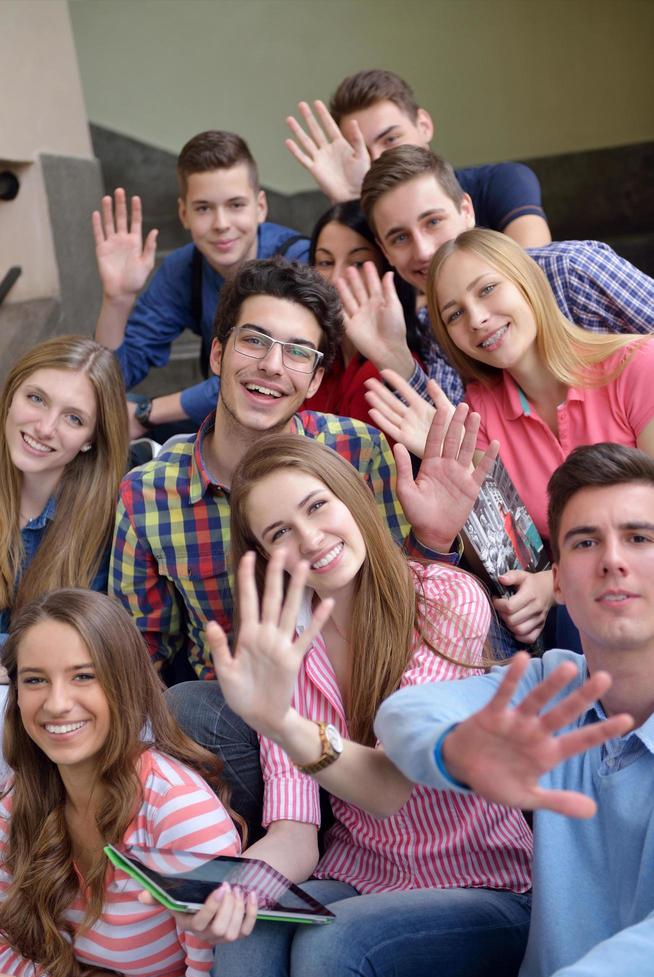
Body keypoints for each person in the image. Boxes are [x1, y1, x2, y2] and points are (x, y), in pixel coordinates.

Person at [202, 425, 532, 977]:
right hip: (362, 872)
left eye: (317, 507)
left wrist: (279, 720)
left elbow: (389, 787)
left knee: (333, 946)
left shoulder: (443, 599)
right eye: (280, 531)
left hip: (483, 883)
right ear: (264, 556)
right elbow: (294, 832)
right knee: (249, 924)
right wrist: (227, 888)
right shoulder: (283, 647)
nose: (309, 539)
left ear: (351, 494)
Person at [375, 442, 654, 977]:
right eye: (585, 541)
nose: (612, 559)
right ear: (557, 584)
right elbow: (403, 712)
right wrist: (456, 750)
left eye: (639, 537)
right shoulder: (552, 680)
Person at [110, 258, 450, 696]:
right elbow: (140, 647)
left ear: (314, 381)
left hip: (378, 681)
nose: (272, 365)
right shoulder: (147, 494)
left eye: (298, 353)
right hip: (244, 708)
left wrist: (436, 539)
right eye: (254, 340)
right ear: (218, 354)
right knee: (188, 705)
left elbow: (411, 586)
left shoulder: (359, 450)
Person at [367, 228, 654, 645]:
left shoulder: (637, 365)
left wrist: (554, 585)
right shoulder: (478, 415)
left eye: (487, 289)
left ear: (527, 281)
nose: (478, 319)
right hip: (582, 623)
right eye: (454, 314)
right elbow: (515, 556)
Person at [0, 587, 252, 977]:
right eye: (35, 681)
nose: (57, 703)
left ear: (124, 684)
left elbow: (214, 972)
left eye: (83, 676)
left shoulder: (179, 811)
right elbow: (4, 949)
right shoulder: (15, 801)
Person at [337, 145, 654, 405]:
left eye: (433, 222)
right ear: (385, 251)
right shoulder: (434, 328)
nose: (422, 250)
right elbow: (462, 447)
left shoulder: (572, 268)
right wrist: (392, 356)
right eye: (400, 238)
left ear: (466, 211)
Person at [92, 131, 309, 437]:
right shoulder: (183, 269)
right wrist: (117, 300)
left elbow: (257, 376)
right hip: (225, 415)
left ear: (260, 207)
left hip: (292, 418)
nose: (221, 224)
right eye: (204, 208)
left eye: (235, 205)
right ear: (184, 214)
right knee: (98, 414)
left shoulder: (298, 260)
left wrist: (147, 413)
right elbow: (109, 380)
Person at [285, 68, 551, 247]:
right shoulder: (369, 220)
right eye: (362, 151)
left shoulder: (501, 182)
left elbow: (535, 273)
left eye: (390, 139)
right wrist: (351, 205)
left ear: (423, 125)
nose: (376, 158)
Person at [0, 335, 129, 648]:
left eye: (74, 418)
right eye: (36, 398)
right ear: (12, 394)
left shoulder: (110, 522)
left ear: (91, 439)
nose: (45, 427)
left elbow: (84, 643)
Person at [302, 199, 425, 426]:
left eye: (358, 263)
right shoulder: (312, 354)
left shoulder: (395, 369)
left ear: (386, 270)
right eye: (325, 262)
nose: (337, 278)